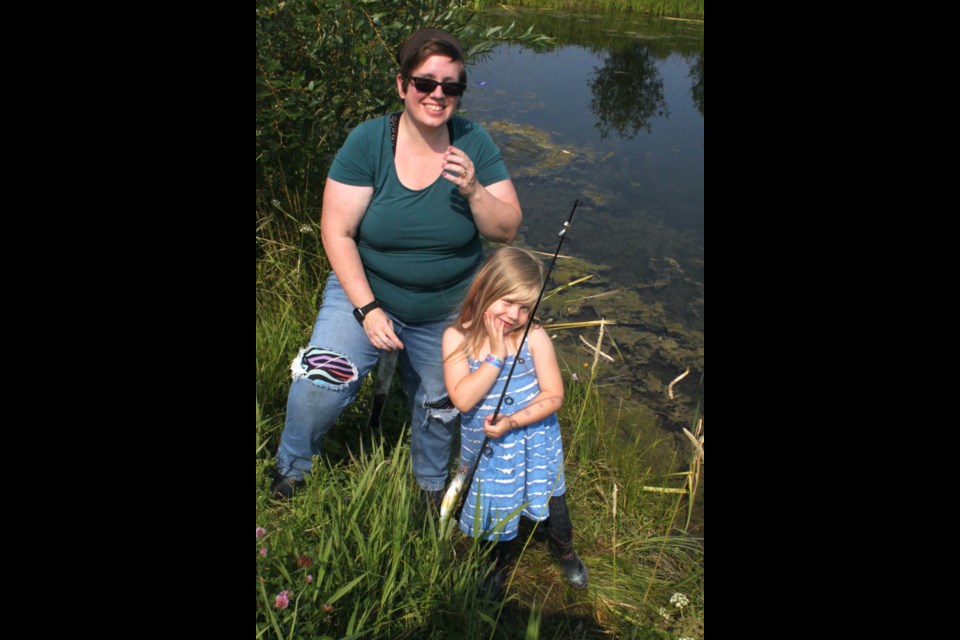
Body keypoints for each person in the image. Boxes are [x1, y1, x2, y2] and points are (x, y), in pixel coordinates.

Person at [272, 28, 523, 503]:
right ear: (402, 84)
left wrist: (473, 190)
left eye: (451, 86)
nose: (437, 95)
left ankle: (430, 486)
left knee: (441, 403)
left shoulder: (474, 142)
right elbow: (337, 232)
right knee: (321, 380)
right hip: (365, 292)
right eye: (425, 82)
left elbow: (506, 229)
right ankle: (291, 466)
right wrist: (368, 310)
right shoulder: (369, 141)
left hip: (448, 307)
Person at [441, 247, 588, 594]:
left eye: (525, 307)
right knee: (497, 511)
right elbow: (463, 399)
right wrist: (495, 354)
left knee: (555, 505)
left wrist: (513, 421)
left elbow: (554, 394)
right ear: (484, 289)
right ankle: (497, 564)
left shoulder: (534, 337)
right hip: (489, 457)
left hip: (537, 446)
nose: (515, 314)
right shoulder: (456, 338)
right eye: (508, 302)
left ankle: (563, 549)